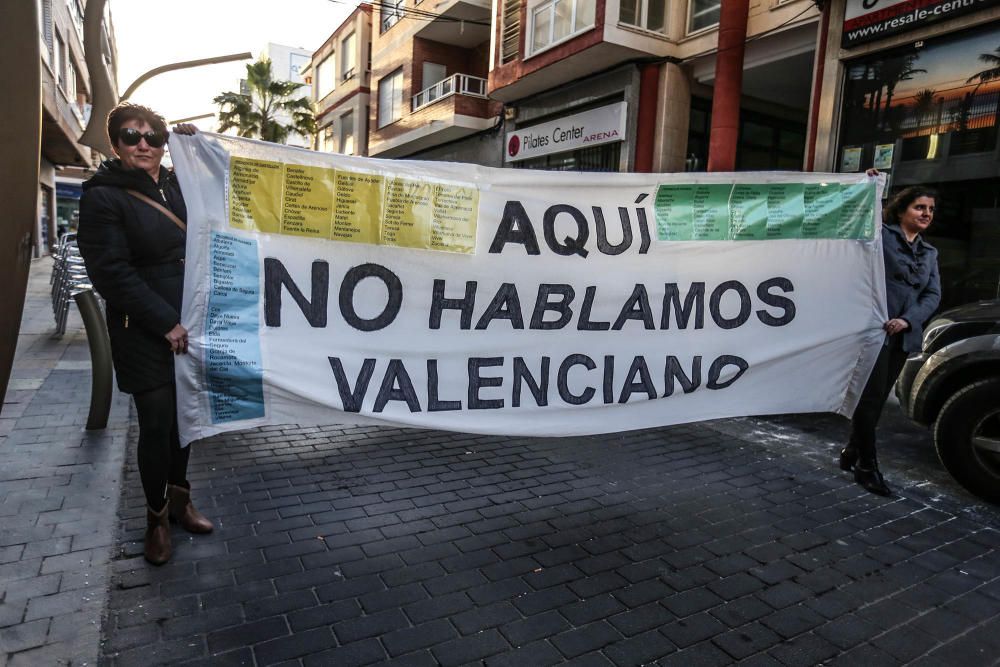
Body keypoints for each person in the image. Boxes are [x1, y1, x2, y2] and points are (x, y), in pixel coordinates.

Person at [78, 103, 212, 565]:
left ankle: (181, 500)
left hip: (189, 320)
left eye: (154, 136)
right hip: (144, 328)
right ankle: (155, 518)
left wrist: (198, 148)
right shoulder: (102, 196)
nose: (144, 144)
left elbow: (226, 194)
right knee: (156, 424)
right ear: (115, 144)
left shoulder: (178, 183)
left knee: (185, 419)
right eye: (132, 136)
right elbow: (110, 272)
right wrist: (164, 322)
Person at [841, 177, 941, 496]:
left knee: (877, 401)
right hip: (873, 332)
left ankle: (851, 452)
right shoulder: (880, 236)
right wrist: (871, 188)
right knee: (869, 401)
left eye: (930, 209)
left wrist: (908, 320)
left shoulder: (930, 253)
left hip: (902, 337)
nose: (926, 213)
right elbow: (858, 219)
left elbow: (932, 294)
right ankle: (866, 466)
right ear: (901, 211)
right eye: (919, 207)